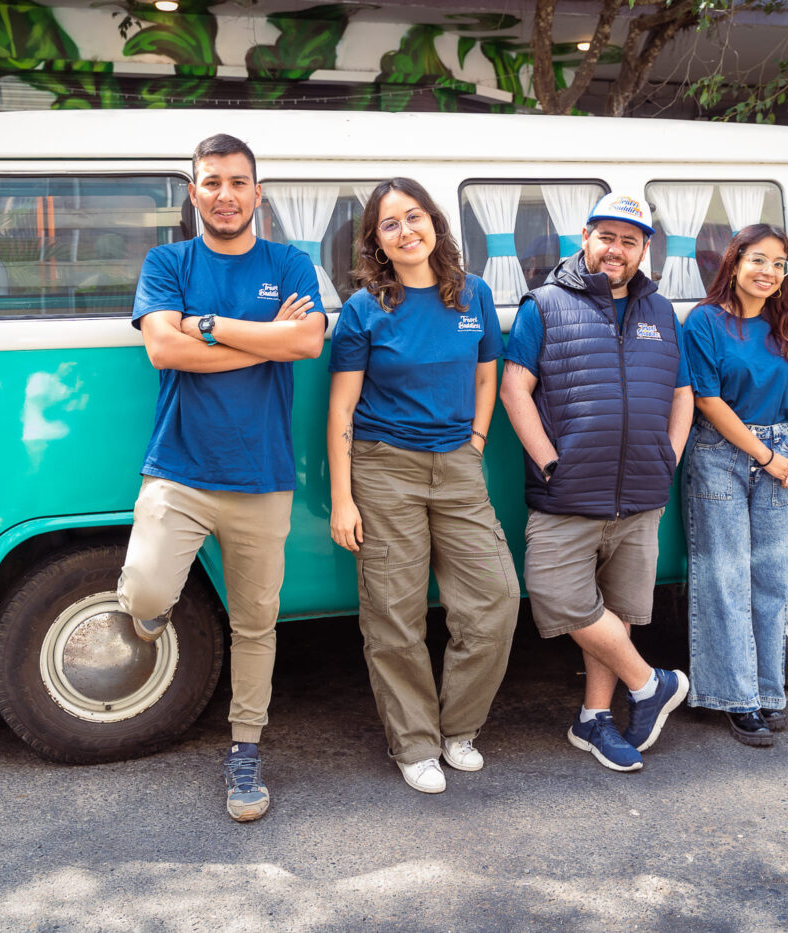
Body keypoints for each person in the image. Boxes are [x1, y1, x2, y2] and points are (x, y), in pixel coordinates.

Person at [118, 133, 326, 822]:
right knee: (146, 586)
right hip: (178, 466)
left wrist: (207, 328)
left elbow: (305, 342)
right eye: (211, 182)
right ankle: (149, 615)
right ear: (194, 193)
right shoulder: (168, 260)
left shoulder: (289, 260)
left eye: (238, 182)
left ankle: (245, 750)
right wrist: (259, 337)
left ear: (257, 194)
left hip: (262, 475)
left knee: (256, 621)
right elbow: (161, 348)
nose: (225, 194)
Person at [327, 178, 519, 795]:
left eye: (414, 217)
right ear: (376, 243)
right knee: (394, 614)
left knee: (495, 601)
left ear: (434, 223)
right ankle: (413, 744)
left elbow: (488, 379)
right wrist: (342, 497)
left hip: (459, 466)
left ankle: (457, 730)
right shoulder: (364, 309)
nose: (406, 231)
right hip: (385, 471)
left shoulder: (474, 295)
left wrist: (478, 442)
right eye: (390, 224)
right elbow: (341, 413)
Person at [500, 192, 693, 772]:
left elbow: (682, 393)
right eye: (606, 236)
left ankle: (595, 720)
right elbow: (515, 387)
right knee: (559, 597)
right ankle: (650, 682)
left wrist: (670, 456)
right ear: (584, 237)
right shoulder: (545, 304)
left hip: (641, 493)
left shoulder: (661, 312)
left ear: (644, 250)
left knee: (620, 612)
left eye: (629, 240)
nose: (616, 249)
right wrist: (547, 460)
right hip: (566, 494)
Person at [680, 225, 788, 747]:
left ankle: (768, 693)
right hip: (721, 454)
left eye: (779, 264)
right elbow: (707, 400)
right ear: (734, 263)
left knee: (770, 578)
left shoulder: (786, 323)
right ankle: (736, 699)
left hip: (784, 452)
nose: (768, 271)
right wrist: (766, 456)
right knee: (725, 577)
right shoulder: (705, 322)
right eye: (759, 259)